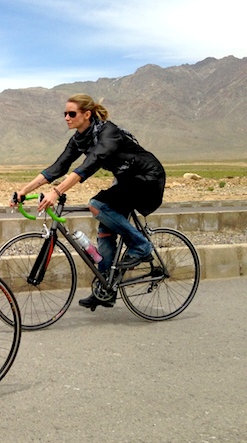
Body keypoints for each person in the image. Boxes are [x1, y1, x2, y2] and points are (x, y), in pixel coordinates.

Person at [11, 93, 166, 309]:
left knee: (97, 204)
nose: (66, 117)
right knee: (105, 231)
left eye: (71, 113)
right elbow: (58, 167)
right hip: (126, 181)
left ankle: (141, 245)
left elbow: (90, 164)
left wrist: (56, 192)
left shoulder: (108, 133)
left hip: (147, 179)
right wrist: (22, 190)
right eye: (64, 113)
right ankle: (106, 289)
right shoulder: (79, 139)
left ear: (87, 114)